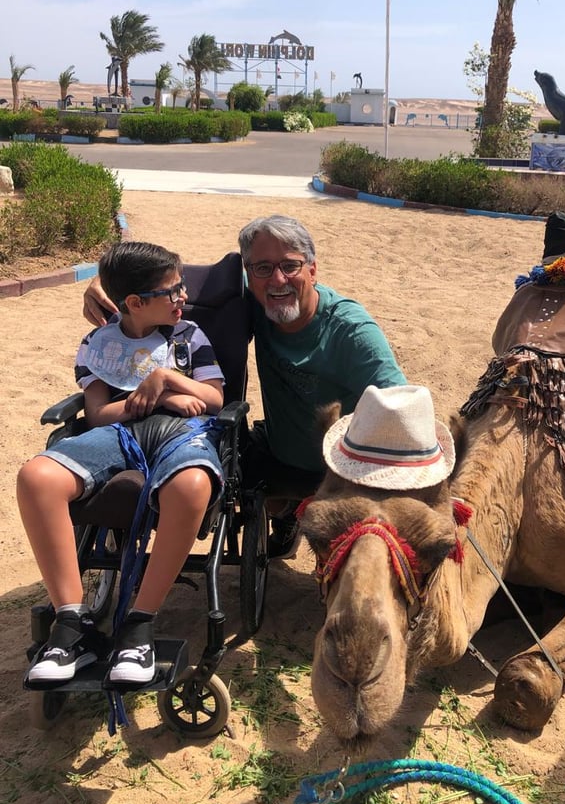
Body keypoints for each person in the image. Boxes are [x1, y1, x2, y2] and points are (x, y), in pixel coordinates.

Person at [82, 215, 406, 559]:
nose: (277, 279)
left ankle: (291, 510)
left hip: (344, 470)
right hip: (281, 453)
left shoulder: (351, 331)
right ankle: (284, 513)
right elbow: (167, 278)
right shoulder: (261, 302)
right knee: (235, 455)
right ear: (249, 276)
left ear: (312, 270)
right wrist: (106, 282)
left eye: (290, 266)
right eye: (263, 268)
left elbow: (401, 405)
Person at [20, 242, 225, 687]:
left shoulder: (189, 337)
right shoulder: (99, 345)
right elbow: (98, 414)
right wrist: (161, 398)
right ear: (135, 302)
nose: (183, 296)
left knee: (190, 484)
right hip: (118, 432)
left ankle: (139, 624)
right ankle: (71, 624)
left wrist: (165, 378)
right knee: (36, 477)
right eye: (172, 291)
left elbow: (213, 398)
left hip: (180, 433)